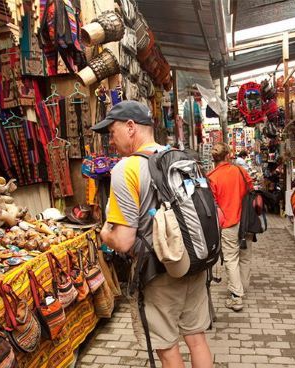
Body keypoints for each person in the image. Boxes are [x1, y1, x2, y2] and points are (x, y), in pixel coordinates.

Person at [93, 101, 213, 368]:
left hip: (159, 271)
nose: (111, 140)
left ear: (131, 127)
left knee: (167, 347)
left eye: (112, 132)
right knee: (196, 338)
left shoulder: (127, 169)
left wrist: (104, 234)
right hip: (194, 259)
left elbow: (124, 241)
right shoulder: (180, 157)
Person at [207, 142, 252, 312]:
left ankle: (237, 296)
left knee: (231, 258)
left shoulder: (211, 177)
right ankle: (242, 288)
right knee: (246, 255)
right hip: (247, 221)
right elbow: (250, 189)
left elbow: (213, 204)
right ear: (227, 156)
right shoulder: (240, 171)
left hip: (228, 223)